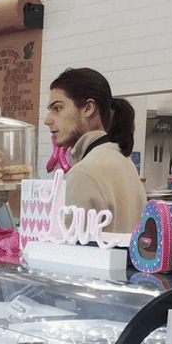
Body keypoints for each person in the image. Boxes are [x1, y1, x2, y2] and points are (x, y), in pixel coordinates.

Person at [44, 68, 146, 234]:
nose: (47, 120)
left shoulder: (84, 172)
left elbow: (70, 253)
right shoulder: (124, 162)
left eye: (57, 109)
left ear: (88, 108)